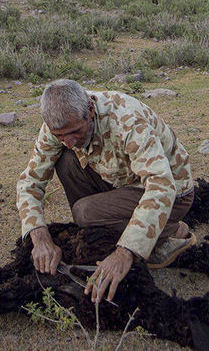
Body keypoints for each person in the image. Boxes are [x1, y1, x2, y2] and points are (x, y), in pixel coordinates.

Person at [16, 79, 195, 304]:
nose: (68, 141)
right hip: (121, 181)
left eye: (74, 132)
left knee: (85, 213)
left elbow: (161, 185)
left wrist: (125, 252)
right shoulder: (60, 126)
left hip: (173, 194)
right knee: (65, 160)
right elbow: (30, 181)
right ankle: (106, 229)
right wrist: (39, 237)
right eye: (60, 136)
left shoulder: (127, 121)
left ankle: (170, 233)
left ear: (90, 110)